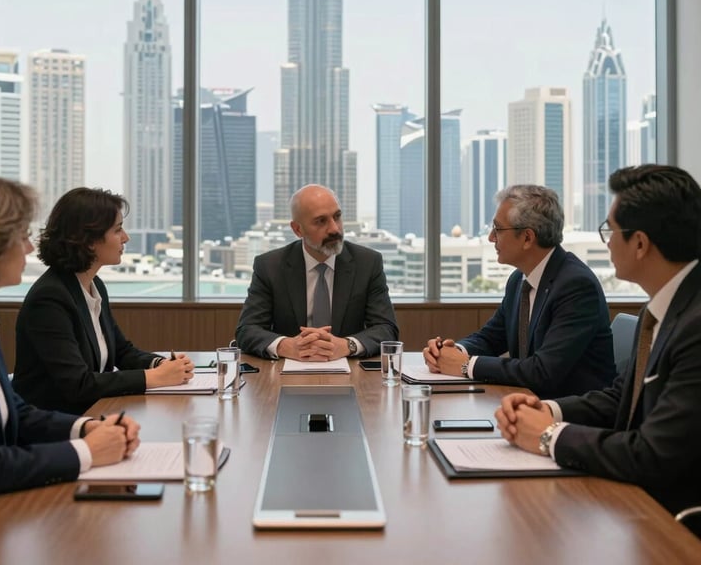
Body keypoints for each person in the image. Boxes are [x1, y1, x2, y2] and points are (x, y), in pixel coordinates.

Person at [0, 173, 140, 541]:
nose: (29, 249)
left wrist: (85, 428)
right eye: (21, 236)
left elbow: (15, 411)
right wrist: (85, 452)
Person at [495, 165, 701, 526]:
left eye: (610, 230)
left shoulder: (695, 325)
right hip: (638, 504)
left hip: (670, 521)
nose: (606, 241)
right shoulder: (661, 309)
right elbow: (619, 398)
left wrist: (547, 436)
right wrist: (546, 409)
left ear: (640, 243)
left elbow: (652, 454)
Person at [13, 187, 194, 415]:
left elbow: (122, 352)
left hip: (93, 414)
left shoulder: (93, 284)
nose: (126, 237)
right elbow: (78, 385)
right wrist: (153, 377)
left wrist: (160, 365)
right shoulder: (49, 299)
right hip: (54, 427)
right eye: (118, 230)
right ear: (88, 240)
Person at [423, 185, 616, 398]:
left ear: (527, 238)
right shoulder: (519, 279)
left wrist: (466, 365)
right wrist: (454, 351)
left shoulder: (576, 285)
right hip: (528, 403)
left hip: (570, 417)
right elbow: (491, 338)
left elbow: (542, 371)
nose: (491, 238)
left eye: (497, 229)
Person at [235, 184, 398, 360]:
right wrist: (286, 346)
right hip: (287, 373)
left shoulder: (367, 263)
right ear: (297, 230)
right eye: (321, 221)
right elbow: (247, 330)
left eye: (337, 217)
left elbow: (386, 329)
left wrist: (347, 345)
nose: (334, 229)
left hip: (350, 372)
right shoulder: (270, 266)